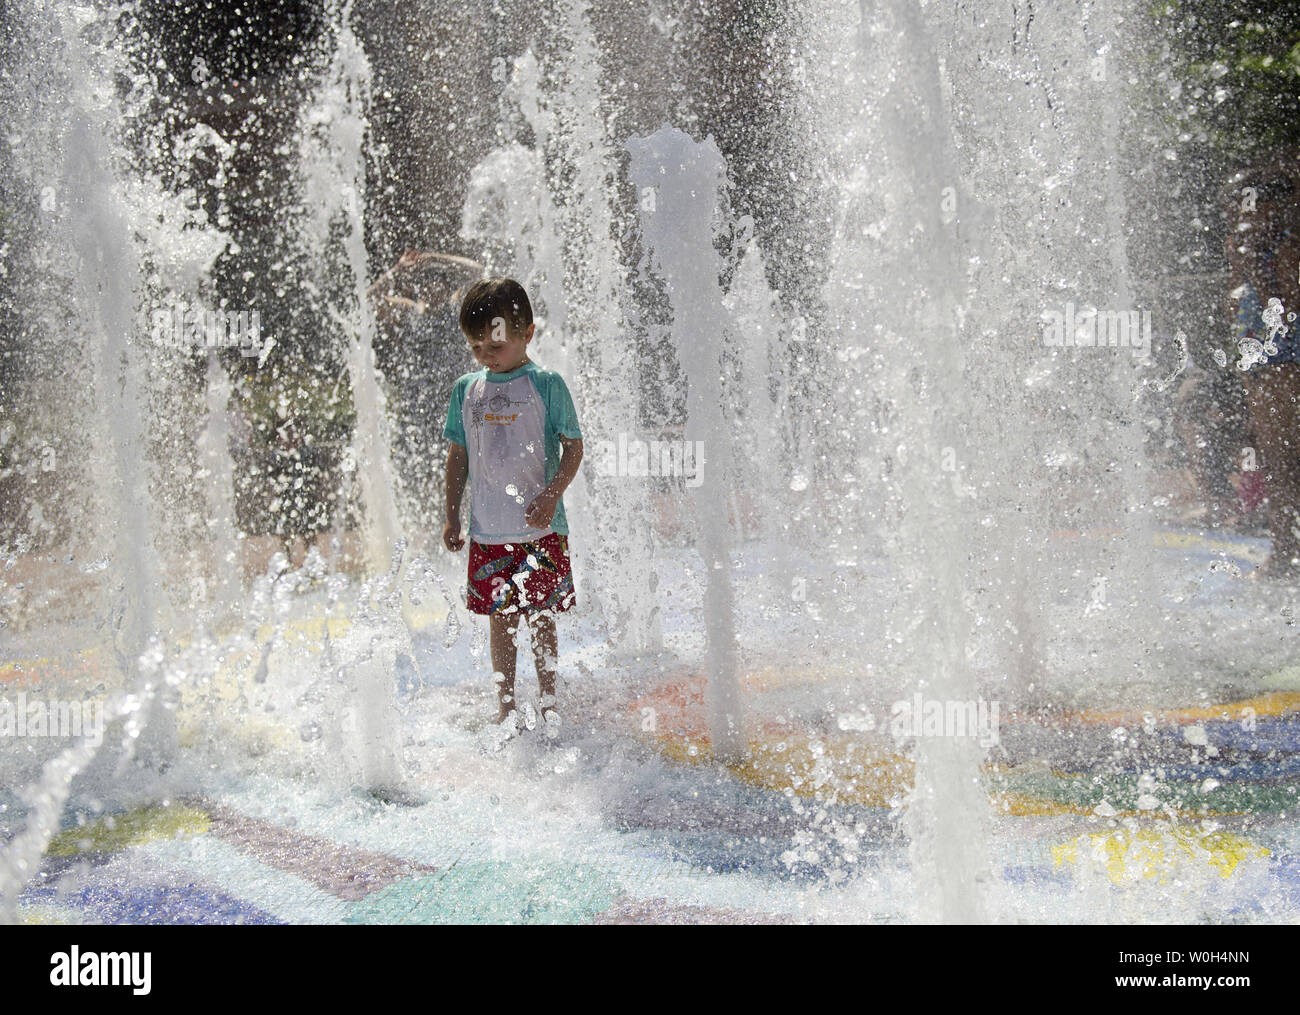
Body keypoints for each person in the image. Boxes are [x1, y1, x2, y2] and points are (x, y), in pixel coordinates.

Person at [441, 277, 584, 736]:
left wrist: (551, 493)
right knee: (500, 621)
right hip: (488, 532)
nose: (485, 355)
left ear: (528, 334)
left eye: (495, 345)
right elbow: (457, 456)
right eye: (476, 346)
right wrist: (450, 514)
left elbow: (574, 448)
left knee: (542, 617)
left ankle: (548, 701)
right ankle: (505, 706)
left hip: (540, 532)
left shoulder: (546, 384)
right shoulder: (467, 390)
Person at [1223, 156, 1300, 580]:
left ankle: (1286, 551)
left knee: (1283, 456)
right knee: (1279, 458)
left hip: (1282, 355)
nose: (1238, 214)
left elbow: (1285, 304)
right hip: (1265, 356)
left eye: (1245, 204)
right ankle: (1285, 549)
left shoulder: (1283, 244)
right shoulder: (1256, 244)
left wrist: (1253, 263)